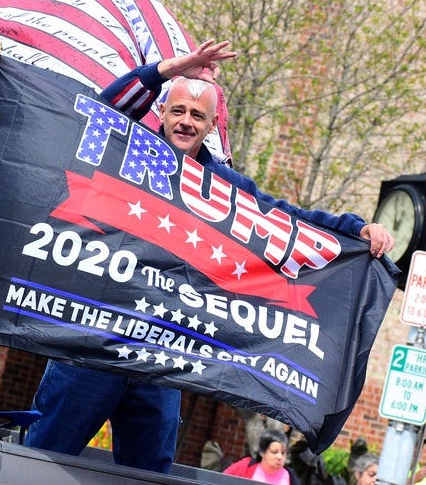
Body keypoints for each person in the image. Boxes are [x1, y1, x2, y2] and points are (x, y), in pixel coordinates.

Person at [23, 39, 394, 472]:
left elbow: (289, 219)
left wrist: (356, 230)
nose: (185, 121)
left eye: (197, 115)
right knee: (41, 461)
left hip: (161, 354)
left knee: (150, 474)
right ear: (161, 112)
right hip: (93, 338)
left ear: (211, 124)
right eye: (177, 110)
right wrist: (168, 69)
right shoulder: (128, 147)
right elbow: (102, 108)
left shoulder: (224, 185)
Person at [224, 429, 302, 484]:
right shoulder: (245, 466)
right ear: (262, 452)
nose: (279, 457)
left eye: (283, 453)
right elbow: (218, 481)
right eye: (274, 452)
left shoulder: (290, 476)